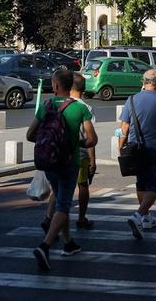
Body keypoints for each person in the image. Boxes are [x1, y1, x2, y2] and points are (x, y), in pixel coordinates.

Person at [28, 69, 97, 272]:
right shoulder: (80, 109)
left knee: (59, 200)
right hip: (69, 162)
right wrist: (75, 142)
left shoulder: (45, 106)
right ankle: (45, 246)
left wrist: (47, 141)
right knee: (64, 205)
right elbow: (92, 139)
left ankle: (68, 243)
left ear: (56, 85)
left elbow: (30, 134)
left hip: (49, 162)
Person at [118, 69, 156, 239]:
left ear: (142, 82)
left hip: (135, 150)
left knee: (141, 183)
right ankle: (138, 215)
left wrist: (121, 149)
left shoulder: (131, 100)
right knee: (155, 186)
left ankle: (145, 218)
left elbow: (124, 129)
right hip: (155, 150)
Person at [71, 72, 97, 229]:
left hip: (63, 155)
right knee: (83, 185)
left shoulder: (61, 103)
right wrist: (93, 160)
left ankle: (50, 217)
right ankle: (81, 217)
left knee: (60, 187)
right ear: (84, 88)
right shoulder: (86, 107)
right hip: (81, 155)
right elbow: (91, 138)